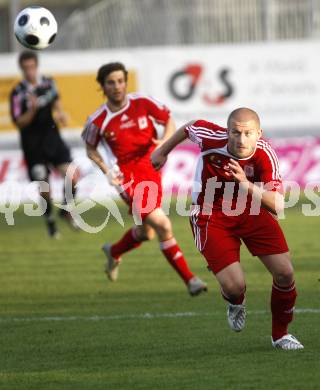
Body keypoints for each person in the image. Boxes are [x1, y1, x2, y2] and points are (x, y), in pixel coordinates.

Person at [151, 107, 304, 350]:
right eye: (235, 132)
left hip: (251, 210)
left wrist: (244, 184)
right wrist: (163, 151)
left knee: (285, 273)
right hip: (211, 215)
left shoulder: (265, 153)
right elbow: (190, 127)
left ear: (258, 133)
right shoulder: (211, 137)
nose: (241, 139)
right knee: (235, 287)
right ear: (227, 131)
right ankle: (235, 301)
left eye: (248, 133)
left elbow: (277, 205)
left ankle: (281, 335)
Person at [82, 62, 207, 296]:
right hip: (126, 176)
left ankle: (114, 251)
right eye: (111, 82)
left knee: (145, 233)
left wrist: (165, 143)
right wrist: (107, 171)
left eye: (121, 81)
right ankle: (190, 280)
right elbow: (90, 149)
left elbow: (168, 120)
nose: (117, 86)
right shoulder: (98, 119)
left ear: (126, 82)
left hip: (151, 168)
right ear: (102, 86)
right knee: (163, 224)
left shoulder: (143, 102)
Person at [10, 50, 78, 238]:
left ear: (36, 66)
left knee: (72, 176)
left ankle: (66, 209)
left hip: (52, 138)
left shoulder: (49, 82)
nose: (29, 71)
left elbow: (55, 100)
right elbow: (19, 122)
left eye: (32, 67)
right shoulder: (18, 93)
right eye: (26, 68)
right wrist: (32, 110)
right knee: (45, 187)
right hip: (33, 145)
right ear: (22, 69)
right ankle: (50, 222)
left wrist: (61, 113)